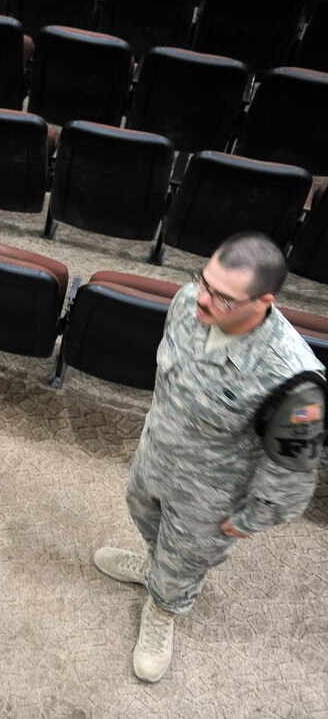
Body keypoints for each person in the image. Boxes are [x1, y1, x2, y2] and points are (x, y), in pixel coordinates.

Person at [93, 232, 326, 683]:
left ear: (263, 303)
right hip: (157, 454)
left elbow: (292, 476)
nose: (201, 300)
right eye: (204, 279)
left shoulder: (296, 384)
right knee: (143, 516)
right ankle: (153, 566)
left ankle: (165, 605)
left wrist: (248, 519)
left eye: (222, 297)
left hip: (212, 493)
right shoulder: (187, 300)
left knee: (185, 560)